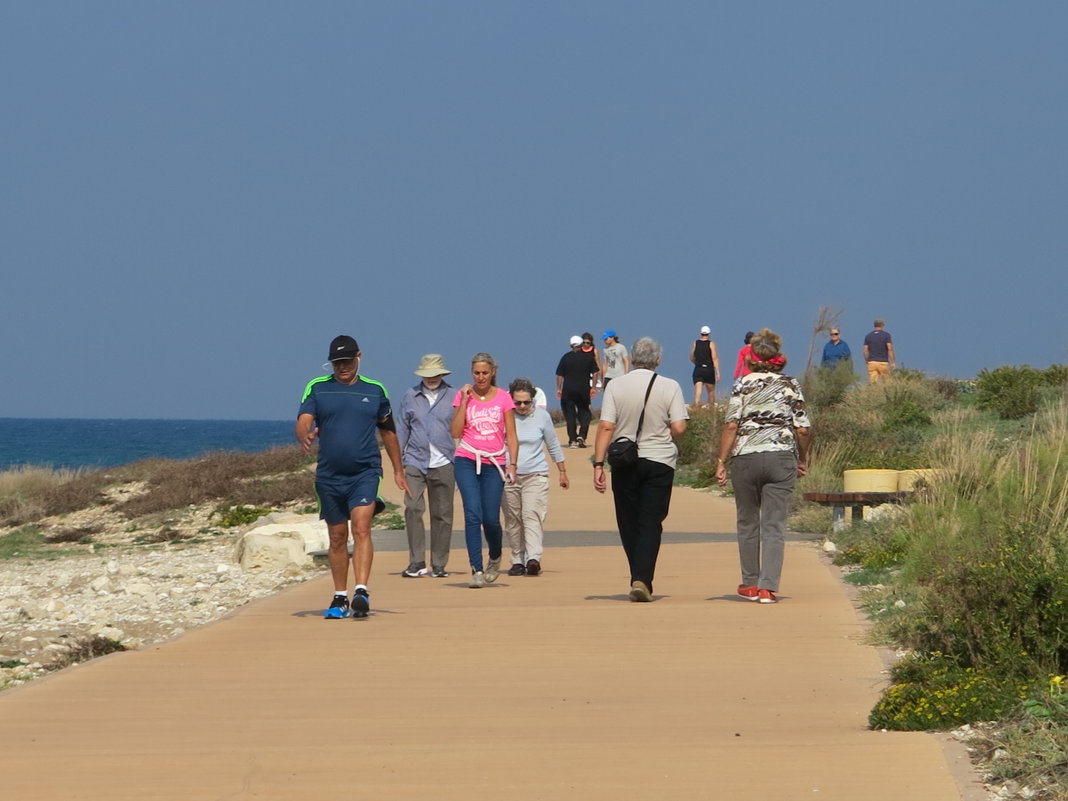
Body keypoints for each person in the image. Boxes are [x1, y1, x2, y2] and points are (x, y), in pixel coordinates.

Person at [296, 335, 411, 619]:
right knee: (337, 537)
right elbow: (303, 420)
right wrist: (305, 434)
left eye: (347, 361)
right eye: (337, 363)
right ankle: (339, 597)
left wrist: (398, 470)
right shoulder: (318, 388)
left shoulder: (375, 390)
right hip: (329, 475)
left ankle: (361, 590)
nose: (342, 367)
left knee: (361, 528)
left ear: (358, 356)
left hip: (365, 472)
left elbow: (389, 432)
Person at [715, 328, 811, 605]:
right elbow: (802, 429)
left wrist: (721, 461)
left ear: (751, 355)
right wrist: (802, 459)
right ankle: (768, 587)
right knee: (774, 524)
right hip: (781, 456)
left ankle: (750, 582)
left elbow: (731, 424)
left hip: (746, 457)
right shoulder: (790, 384)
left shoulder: (742, 384)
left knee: (747, 521)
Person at [593, 337, 688, 602]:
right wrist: (662, 432)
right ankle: (642, 578)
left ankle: (637, 574)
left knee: (628, 521)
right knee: (651, 522)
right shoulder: (670, 386)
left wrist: (598, 464)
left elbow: (606, 426)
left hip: (625, 461)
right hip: (659, 461)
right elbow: (679, 427)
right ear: (658, 360)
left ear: (632, 359)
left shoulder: (616, 386)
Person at [451, 352, 519, 588]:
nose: (480, 377)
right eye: (476, 373)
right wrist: (463, 402)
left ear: (493, 373)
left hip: (494, 461)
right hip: (467, 458)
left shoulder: (503, 398)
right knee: (472, 513)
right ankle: (476, 569)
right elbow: (456, 432)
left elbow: (511, 435)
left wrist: (512, 464)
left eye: (485, 373)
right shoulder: (463, 396)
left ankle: (495, 555)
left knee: (490, 518)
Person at [397, 354, 456, 579]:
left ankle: (439, 563)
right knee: (412, 508)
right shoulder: (410, 395)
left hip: (444, 460)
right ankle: (416, 561)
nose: (431, 378)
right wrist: (397, 462)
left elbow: (461, 426)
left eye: (435, 374)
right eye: (427, 375)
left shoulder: (454, 395)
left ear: (442, 374)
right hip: (415, 460)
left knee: (442, 514)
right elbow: (402, 428)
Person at [503, 378, 569, 576]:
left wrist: (562, 472)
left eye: (526, 402)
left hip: (536, 474)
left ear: (533, 400)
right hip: (509, 476)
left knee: (531, 515)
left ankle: (533, 559)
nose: (522, 406)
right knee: (513, 519)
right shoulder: (504, 416)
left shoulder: (542, 416)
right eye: (518, 402)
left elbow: (553, 444)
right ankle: (517, 559)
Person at [555, 334, 599, 448]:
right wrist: (593, 387)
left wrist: (559, 389)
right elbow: (595, 372)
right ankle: (582, 435)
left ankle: (573, 440)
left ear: (570, 345)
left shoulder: (565, 357)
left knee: (570, 415)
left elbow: (560, 375)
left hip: (568, 390)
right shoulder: (588, 358)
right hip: (583, 390)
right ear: (581, 345)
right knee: (585, 413)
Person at [689, 325, 720, 406]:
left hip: (698, 369)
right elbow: (715, 358)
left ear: (701, 333)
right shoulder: (711, 344)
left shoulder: (695, 343)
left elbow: (691, 357)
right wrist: (717, 372)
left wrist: (697, 363)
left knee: (698, 392)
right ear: (709, 334)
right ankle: (711, 408)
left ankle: (697, 407)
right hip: (708, 369)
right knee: (711, 391)